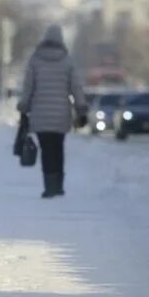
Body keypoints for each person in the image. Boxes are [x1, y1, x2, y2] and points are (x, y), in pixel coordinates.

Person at [16, 24, 87, 198]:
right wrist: (81, 108)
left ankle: (49, 186)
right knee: (58, 148)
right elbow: (76, 87)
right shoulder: (67, 60)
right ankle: (59, 185)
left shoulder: (35, 60)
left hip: (40, 113)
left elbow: (28, 87)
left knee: (46, 149)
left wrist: (24, 107)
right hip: (61, 114)